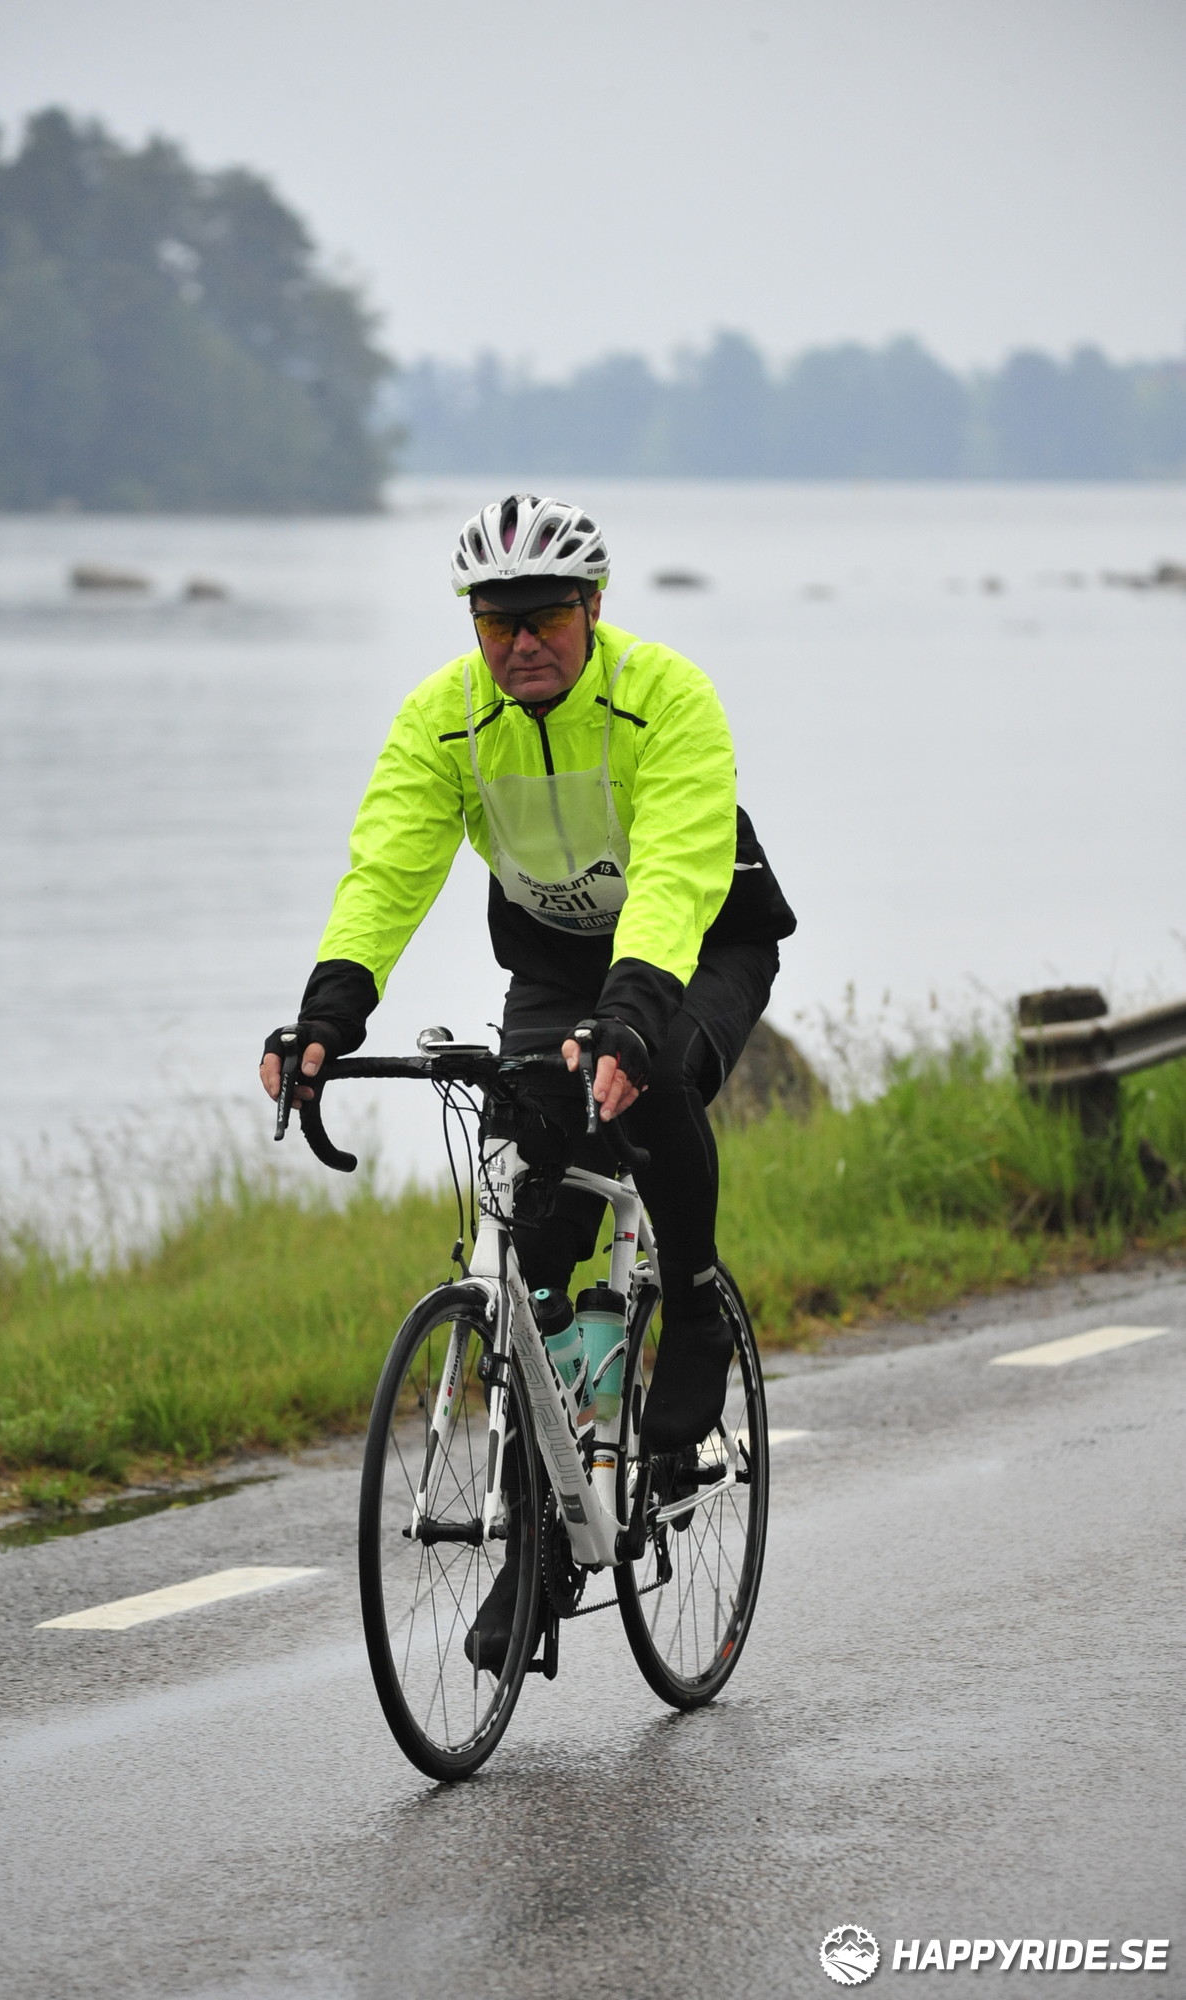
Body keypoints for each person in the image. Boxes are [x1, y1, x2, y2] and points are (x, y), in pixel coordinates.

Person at [260, 493, 794, 1667]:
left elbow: (674, 874)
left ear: (593, 606)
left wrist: (632, 1018)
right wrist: (328, 1013)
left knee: (654, 1081)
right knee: (531, 1241)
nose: (520, 644)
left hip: (701, 938)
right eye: (495, 622)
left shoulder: (668, 697)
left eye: (545, 616)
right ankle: (540, 1544)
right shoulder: (445, 718)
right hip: (556, 962)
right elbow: (388, 868)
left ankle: (692, 1308)